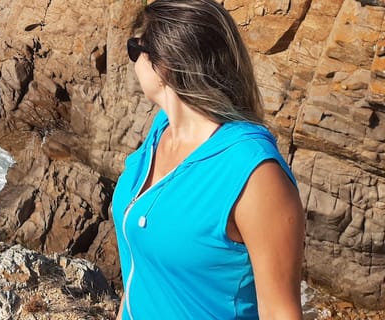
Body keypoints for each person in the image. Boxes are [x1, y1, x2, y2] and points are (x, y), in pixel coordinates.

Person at [112, 0, 305, 319]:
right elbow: (141, 273)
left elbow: (281, 313)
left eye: (136, 49)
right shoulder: (162, 130)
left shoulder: (254, 174)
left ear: (165, 66)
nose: (132, 59)